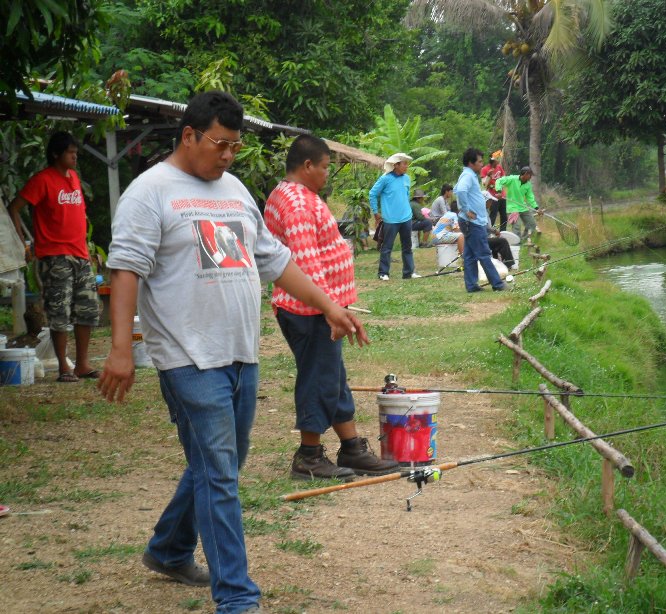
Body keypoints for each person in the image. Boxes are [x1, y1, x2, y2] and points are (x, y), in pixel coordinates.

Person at [97, 91, 367, 614]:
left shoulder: (236, 190)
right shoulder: (149, 192)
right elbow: (125, 268)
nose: (226, 156)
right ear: (189, 136)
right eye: (219, 144)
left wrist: (328, 305)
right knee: (220, 472)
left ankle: (169, 549)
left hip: (241, 354)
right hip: (186, 357)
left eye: (235, 147)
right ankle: (238, 598)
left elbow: (274, 260)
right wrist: (120, 349)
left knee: (221, 461)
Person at [265, 135, 399, 481]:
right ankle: (308, 455)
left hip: (321, 308)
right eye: (324, 167)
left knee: (333, 377)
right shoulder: (296, 203)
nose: (327, 173)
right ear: (307, 165)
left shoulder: (301, 196)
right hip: (308, 310)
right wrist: (329, 309)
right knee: (318, 379)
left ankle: (351, 448)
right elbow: (306, 263)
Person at [9, 131, 101, 382]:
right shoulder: (42, 180)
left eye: (75, 152)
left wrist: (87, 251)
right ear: (56, 154)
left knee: (88, 309)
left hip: (80, 254)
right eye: (70, 152)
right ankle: (64, 367)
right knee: (59, 311)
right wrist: (21, 244)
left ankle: (82, 364)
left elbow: (77, 216)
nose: (75, 156)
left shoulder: (74, 178)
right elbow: (14, 208)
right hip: (54, 256)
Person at [454, 148, 510, 293]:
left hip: (473, 222)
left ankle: (472, 286)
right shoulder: (467, 175)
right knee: (484, 253)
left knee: (470, 255)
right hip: (471, 222)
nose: (482, 164)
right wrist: (466, 210)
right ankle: (498, 284)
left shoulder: (470, 175)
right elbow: (460, 191)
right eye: (479, 161)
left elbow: (458, 190)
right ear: (471, 163)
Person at [369, 153, 420, 281]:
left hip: (406, 218)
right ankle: (383, 273)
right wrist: (376, 212)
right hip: (390, 219)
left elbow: (405, 195)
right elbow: (372, 194)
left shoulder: (406, 178)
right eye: (404, 164)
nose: (406, 166)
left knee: (407, 246)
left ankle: (408, 272)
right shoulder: (385, 179)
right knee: (387, 247)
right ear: (396, 165)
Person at [495, 166, 539, 244]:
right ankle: (516, 245)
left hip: (523, 207)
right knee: (517, 226)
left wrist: (536, 208)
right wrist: (499, 191)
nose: (531, 177)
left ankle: (523, 241)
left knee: (532, 225)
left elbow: (530, 197)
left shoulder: (528, 184)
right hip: (512, 208)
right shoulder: (512, 179)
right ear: (525, 174)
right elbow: (499, 181)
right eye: (530, 175)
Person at [481, 191, 516, 269]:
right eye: (490, 201)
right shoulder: (481, 211)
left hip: (483, 238)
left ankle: (496, 263)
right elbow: (485, 226)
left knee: (496, 242)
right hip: (481, 240)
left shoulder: (484, 211)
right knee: (502, 241)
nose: (491, 203)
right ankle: (508, 264)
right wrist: (495, 231)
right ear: (485, 201)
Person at [480, 150, 507, 230]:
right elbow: (484, 184)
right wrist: (488, 176)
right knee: (493, 215)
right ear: (492, 160)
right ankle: (490, 232)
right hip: (492, 196)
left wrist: (500, 190)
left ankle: (503, 233)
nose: (498, 161)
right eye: (497, 159)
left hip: (501, 195)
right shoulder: (485, 169)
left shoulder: (499, 167)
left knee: (504, 216)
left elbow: (504, 179)